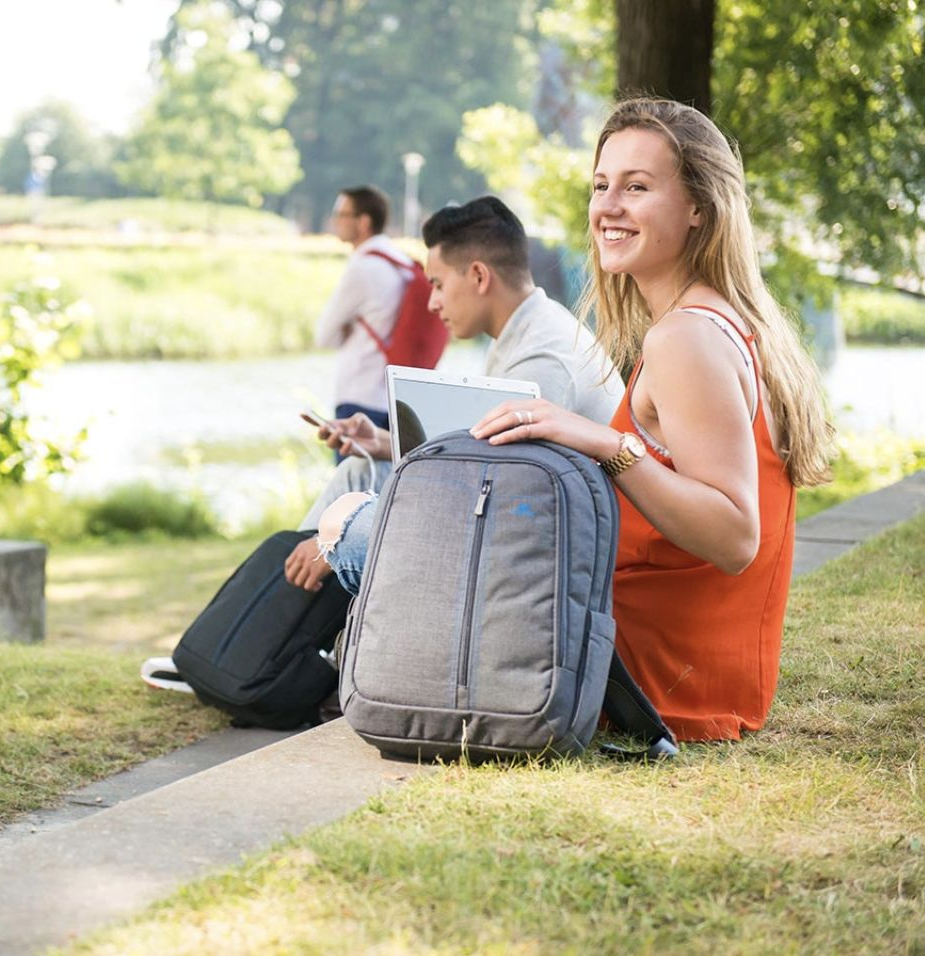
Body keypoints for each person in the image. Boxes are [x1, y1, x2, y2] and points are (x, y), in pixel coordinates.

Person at [321, 98, 834, 743]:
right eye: (601, 186)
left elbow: (734, 537)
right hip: (677, 654)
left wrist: (600, 441)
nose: (608, 207)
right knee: (389, 521)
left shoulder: (686, 338)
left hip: (652, 669)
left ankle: (334, 674)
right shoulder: (720, 321)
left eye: (638, 187)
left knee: (352, 525)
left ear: (700, 208)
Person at [284, 195, 625, 591]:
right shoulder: (524, 332)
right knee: (360, 472)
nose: (432, 303)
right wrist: (383, 442)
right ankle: (277, 618)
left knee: (343, 533)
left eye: (438, 284)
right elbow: (480, 458)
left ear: (479, 277)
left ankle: (273, 628)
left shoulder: (543, 360)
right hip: (517, 524)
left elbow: (489, 499)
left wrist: (336, 538)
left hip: (548, 558)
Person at [315, 185, 411, 434]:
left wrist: (348, 329)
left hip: (359, 395)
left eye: (342, 214)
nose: (335, 220)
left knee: (354, 473)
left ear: (364, 221)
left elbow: (323, 336)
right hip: (396, 398)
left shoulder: (363, 267)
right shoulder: (402, 263)